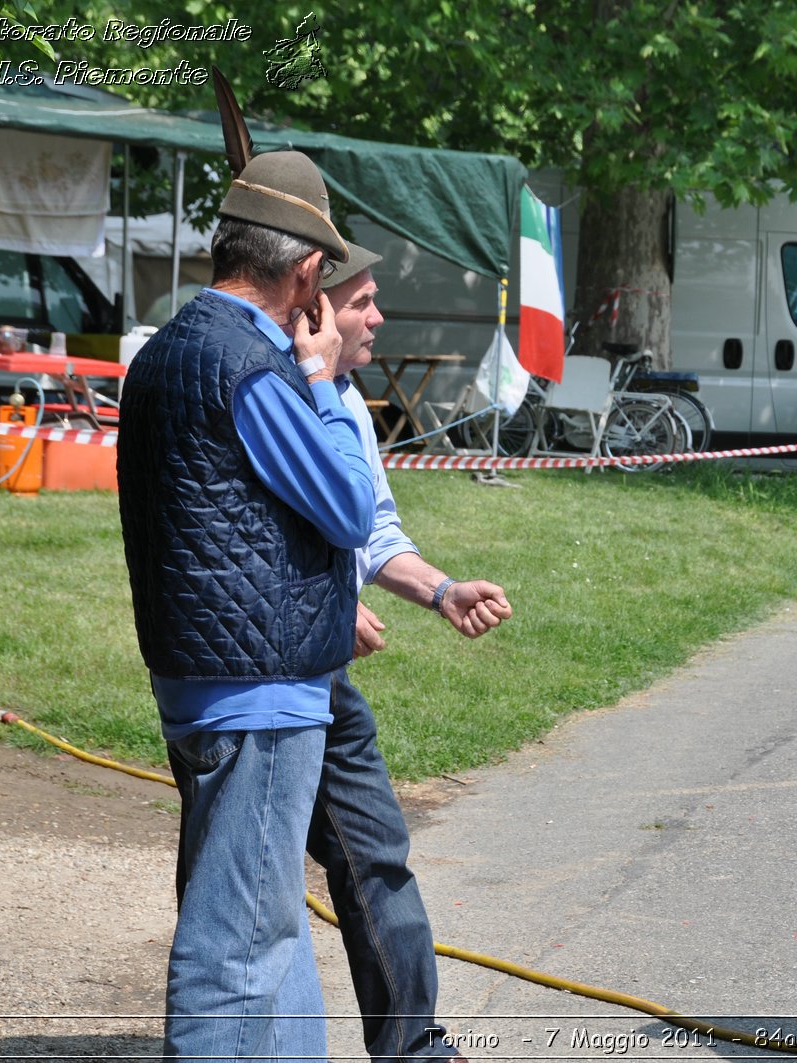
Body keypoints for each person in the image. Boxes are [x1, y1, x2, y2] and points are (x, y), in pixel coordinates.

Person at [118, 149, 372, 1060]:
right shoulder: (256, 370)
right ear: (305, 272)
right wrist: (324, 380)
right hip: (259, 694)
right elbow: (348, 508)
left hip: (201, 678)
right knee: (236, 951)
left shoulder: (165, 352)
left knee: (274, 933)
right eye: (327, 274)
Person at [310, 242, 513, 1059]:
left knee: (375, 852)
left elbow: (371, 532)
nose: (378, 317)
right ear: (313, 307)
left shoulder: (348, 403)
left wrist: (440, 589)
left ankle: (415, 1048)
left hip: (320, 677)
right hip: (259, 677)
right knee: (243, 884)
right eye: (362, 301)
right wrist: (326, 604)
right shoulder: (273, 392)